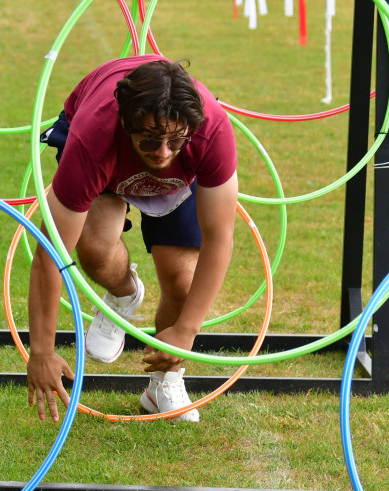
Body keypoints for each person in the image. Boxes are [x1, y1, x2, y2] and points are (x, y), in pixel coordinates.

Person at [27, 55, 238, 423]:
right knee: (92, 247)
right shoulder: (94, 139)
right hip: (107, 161)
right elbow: (51, 251)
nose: (162, 153)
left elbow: (219, 238)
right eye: (151, 141)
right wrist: (42, 351)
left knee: (183, 282)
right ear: (126, 125)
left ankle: (164, 383)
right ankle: (124, 294)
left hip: (180, 178)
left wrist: (186, 332)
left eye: (175, 142)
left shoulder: (210, 131)